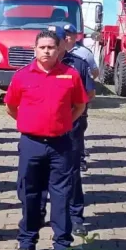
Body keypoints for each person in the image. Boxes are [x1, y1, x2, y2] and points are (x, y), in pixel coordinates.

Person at [4, 30, 88, 250]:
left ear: (59, 49)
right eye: (42, 47)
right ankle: (27, 243)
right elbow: (11, 106)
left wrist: (63, 124)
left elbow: (80, 105)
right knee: (29, 194)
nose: (47, 51)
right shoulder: (22, 76)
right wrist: (29, 123)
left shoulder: (70, 75)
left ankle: (62, 246)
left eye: (51, 47)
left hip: (61, 145)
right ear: (35, 50)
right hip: (31, 144)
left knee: (61, 196)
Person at [38, 24, 96, 237]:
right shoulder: (37, 64)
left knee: (71, 173)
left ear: (64, 43)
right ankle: (39, 213)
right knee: (41, 171)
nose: (50, 47)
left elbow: (89, 94)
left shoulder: (78, 65)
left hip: (70, 128)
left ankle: (75, 217)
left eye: (56, 41)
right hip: (41, 129)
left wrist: (69, 114)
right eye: (47, 42)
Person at [62, 23, 97, 170]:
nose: (67, 37)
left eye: (70, 34)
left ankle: (80, 158)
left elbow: (94, 72)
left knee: (78, 129)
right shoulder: (52, 53)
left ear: (76, 37)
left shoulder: (84, 53)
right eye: (65, 34)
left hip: (79, 100)